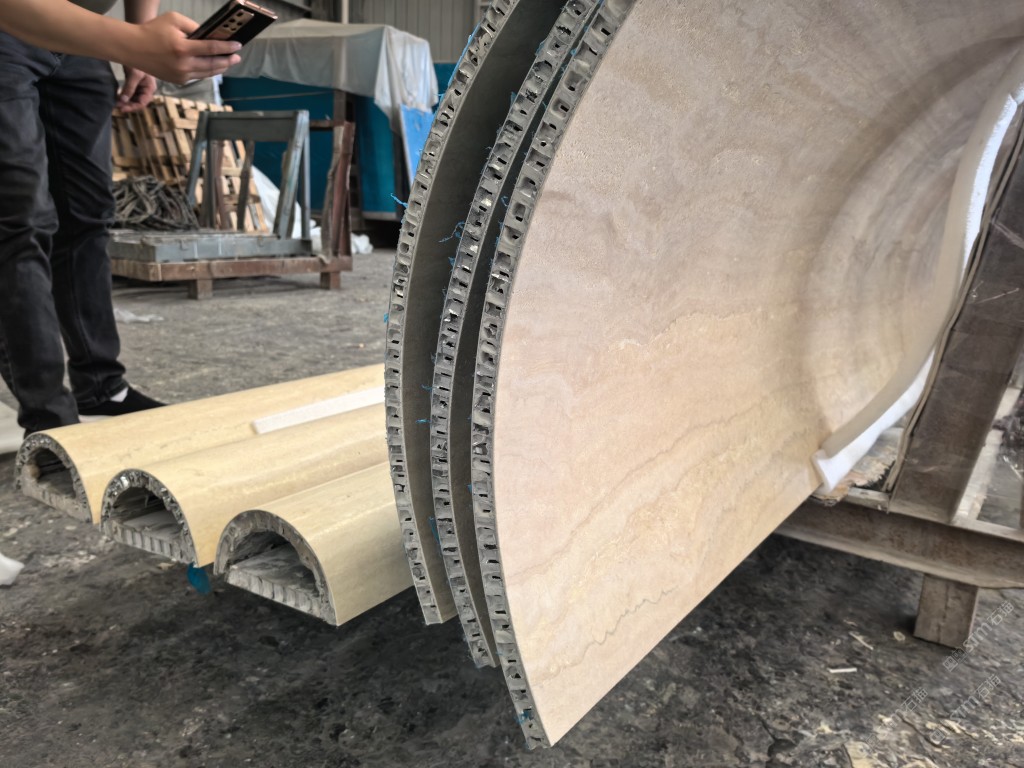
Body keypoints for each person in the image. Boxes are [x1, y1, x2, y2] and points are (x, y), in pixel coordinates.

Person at [0, 1, 242, 434]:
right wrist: (134, 42)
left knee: (88, 214)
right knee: (22, 221)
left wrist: (139, 39)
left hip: (77, 37)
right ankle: (49, 419)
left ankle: (102, 388)